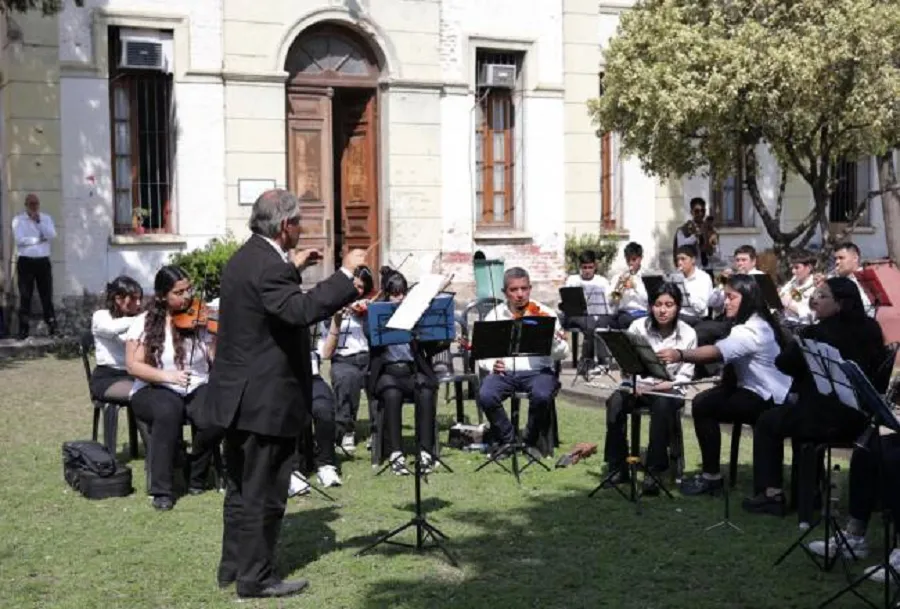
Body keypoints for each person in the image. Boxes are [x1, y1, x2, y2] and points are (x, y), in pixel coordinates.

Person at [201, 189, 366, 599]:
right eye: (298, 223)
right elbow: (299, 312)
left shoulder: (246, 257)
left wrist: (292, 268)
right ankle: (255, 579)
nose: (303, 230)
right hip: (265, 398)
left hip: (238, 396)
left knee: (241, 486)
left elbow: (270, 302)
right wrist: (345, 275)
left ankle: (233, 564)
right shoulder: (269, 266)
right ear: (284, 226)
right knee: (266, 491)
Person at [743, 277, 889, 515]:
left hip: (827, 417)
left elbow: (784, 363)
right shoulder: (872, 328)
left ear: (840, 304)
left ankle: (772, 494)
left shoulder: (817, 332)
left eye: (822, 296)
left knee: (767, 422)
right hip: (862, 418)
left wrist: (795, 340)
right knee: (799, 418)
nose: (814, 300)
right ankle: (808, 492)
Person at [658, 274, 793, 495]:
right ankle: (713, 476)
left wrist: (679, 354)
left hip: (767, 397)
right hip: (763, 392)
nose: (726, 302)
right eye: (725, 297)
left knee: (702, 404)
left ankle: (711, 477)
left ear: (747, 298)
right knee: (710, 398)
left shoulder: (751, 329)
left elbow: (716, 352)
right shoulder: (760, 321)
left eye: (731, 297)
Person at [124, 266, 215, 511]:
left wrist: (216, 336)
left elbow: (213, 361)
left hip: (196, 383)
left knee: (212, 417)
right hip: (153, 386)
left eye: (189, 290)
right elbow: (133, 366)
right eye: (179, 292)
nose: (187, 296)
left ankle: (196, 476)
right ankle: (161, 490)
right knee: (168, 411)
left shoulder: (200, 317)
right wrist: (167, 376)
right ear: (163, 296)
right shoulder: (144, 322)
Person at [603, 282, 697, 495]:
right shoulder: (637, 327)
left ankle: (654, 471)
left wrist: (664, 385)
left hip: (669, 390)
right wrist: (636, 384)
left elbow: (684, 377)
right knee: (615, 402)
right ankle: (617, 467)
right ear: (650, 306)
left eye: (669, 305)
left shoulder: (688, 333)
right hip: (638, 386)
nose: (663, 310)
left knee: (663, 406)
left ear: (678, 307)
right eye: (658, 304)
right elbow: (626, 366)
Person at [476, 267, 570, 454]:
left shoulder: (544, 313)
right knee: (486, 394)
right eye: (514, 290)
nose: (520, 294)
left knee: (542, 395)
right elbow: (483, 354)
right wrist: (492, 363)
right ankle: (508, 439)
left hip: (538, 372)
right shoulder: (495, 315)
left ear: (530, 288)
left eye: (524, 289)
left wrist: (553, 342)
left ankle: (529, 439)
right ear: (505, 293)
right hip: (506, 373)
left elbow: (564, 353)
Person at [365, 267, 449, 475]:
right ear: (386, 293)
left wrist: (442, 338)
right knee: (392, 395)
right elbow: (371, 340)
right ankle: (396, 453)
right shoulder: (377, 314)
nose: (398, 298)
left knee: (426, 392)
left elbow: (429, 348)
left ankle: (426, 452)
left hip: (413, 371)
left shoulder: (417, 314)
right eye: (393, 294)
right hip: (387, 373)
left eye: (401, 293)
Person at [319, 267, 373, 454]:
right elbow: (327, 347)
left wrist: (367, 316)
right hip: (343, 358)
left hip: (368, 356)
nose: (357, 291)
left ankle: (378, 429)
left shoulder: (367, 306)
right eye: (354, 286)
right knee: (345, 379)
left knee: (380, 378)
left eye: (361, 287)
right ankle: (346, 429)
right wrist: (337, 318)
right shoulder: (332, 306)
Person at [89, 276, 143, 401]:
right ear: (118, 299)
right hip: (108, 377)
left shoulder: (138, 319)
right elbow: (112, 329)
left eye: (140, 298)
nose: (139, 303)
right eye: (134, 299)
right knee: (142, 394)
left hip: (135, 374)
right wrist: (142, 319)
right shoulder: (101, 316)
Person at [12, 193, 57, 338]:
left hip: (43, 261)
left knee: (46, 295)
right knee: (25, 296)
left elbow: (51, 235)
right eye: (31, 204)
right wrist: (38, 239)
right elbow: (20, 240)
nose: (34, 207)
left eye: (36, 204)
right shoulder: (18, 220)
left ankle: (52, 327)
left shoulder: (46, 218)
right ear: (26, 205)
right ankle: (23, 330)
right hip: (26, 261)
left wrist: (39, 223)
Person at [562, 250, 613, 374]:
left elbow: (608, 303)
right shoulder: (572, 280)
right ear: (580, 267)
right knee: (590, 323)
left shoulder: (602, 282)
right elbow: (568, 303)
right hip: (576, 315)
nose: (587, 270)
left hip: (597, 314)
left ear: (595, 267)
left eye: (590, 267)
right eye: (584, 267)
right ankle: (590, 361)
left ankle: (599, 361)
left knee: (599, 323)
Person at [816, 242, 874, 317]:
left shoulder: (865, 278)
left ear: (855, 258)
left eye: (841, 258)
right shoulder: (834, 280)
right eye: (835, 259)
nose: (837, 262)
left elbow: (866, 306)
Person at [670, 245, 713, 326]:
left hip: (696, 319)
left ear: (693, 260)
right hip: (678, 317)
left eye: (683, 259)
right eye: (678, 259)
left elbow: (700, 307)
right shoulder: (676, 276)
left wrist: (684, 287)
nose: (679, 263)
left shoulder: (703, 278)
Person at [609, 242, 649, 329]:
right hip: (623, 312)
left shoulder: (646, 277)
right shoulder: (619, 276)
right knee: (608, 321)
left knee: (624, 320)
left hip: (641, 312)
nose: (630, 263)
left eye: (634, 260)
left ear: (641, 258)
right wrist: (618, 287)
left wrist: (634, 286)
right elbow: (612, 302)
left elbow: (648, 299)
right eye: (628, 260)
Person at [672, 197, 718, 269]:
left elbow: (713, 251)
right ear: (691, 212)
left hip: (707, 270)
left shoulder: (710, 229)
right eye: (697, 211)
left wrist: (709, 237)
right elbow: (681, 248)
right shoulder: (683, 230)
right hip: (690, 271)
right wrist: (696, 235)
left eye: (703, 211)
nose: (700, 213)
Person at [778, 252, 816, 326]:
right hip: (785, 322)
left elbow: (812, 315)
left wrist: (789, 306)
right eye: (792, 268)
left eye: (797, 267)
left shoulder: (815, 286)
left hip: (802, 327)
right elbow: (781, 296)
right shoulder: (793, 281)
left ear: (809, 267)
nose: (793, 271)